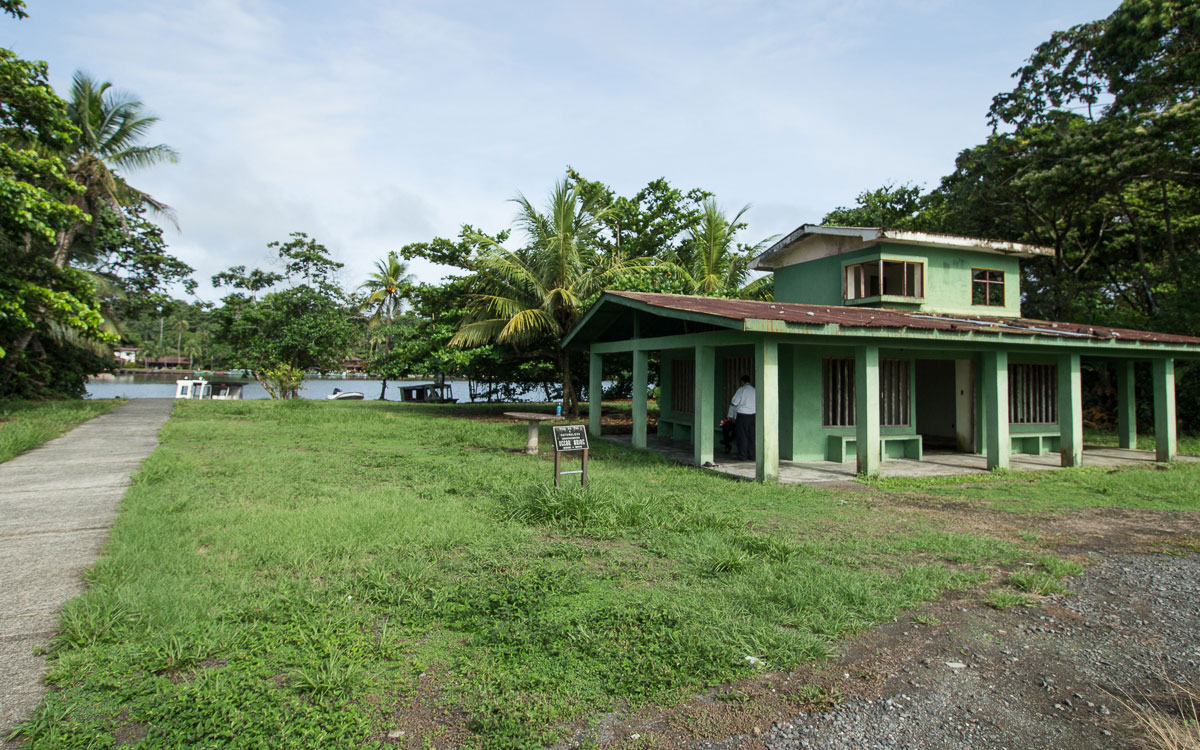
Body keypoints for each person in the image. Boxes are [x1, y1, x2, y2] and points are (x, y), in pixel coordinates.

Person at [727, 375, 755, 461]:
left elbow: (734, 402)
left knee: (742, 436)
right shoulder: (754, 390)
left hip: (742, 415)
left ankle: (742, 456)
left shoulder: (741, 389)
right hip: (753, 415)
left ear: (742, 382)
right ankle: (752, 455)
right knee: (751, 436)